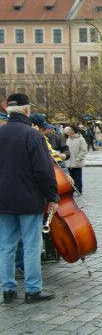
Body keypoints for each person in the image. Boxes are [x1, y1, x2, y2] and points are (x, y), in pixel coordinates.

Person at [0, 93, 58, 303]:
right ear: (27, 111)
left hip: (3, 201)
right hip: (28, 200)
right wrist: (52, 196)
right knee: (32, 245)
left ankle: (8, 290)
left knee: (6, 246)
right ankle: (33, 290)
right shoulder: (32, 136)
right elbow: (44, 171)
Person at [64, 125, 88, 194]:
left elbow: (84, 150)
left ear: (73, 131)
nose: (68, 131)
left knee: (77, 178)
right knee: (70, 178)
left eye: (69, 129)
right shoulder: (68, 139)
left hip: (77, 162)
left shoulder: (81, 139)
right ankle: (71, 190)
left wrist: (78, 158)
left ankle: (79, 190)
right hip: (68, 162)